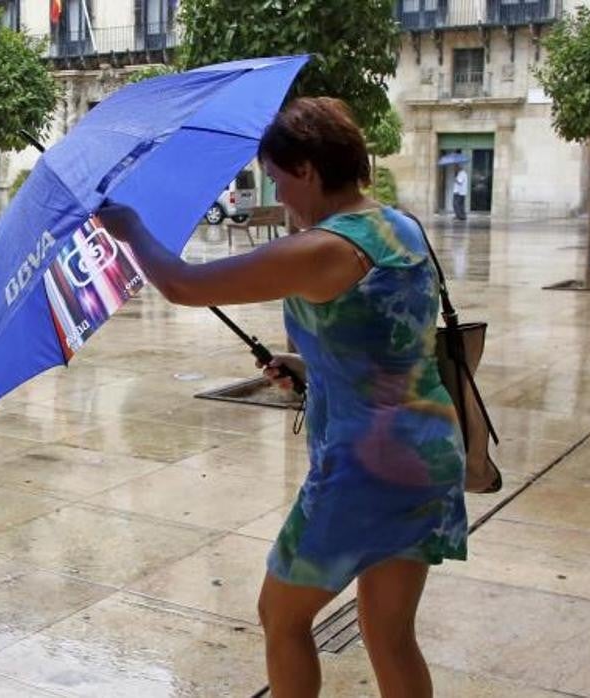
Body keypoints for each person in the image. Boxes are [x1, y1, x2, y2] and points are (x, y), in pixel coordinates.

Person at [97, 97, 466, 698]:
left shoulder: (325, 247)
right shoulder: (399, 226)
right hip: (425, 452)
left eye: (277, 178)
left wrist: (131, 228)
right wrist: (309, 367)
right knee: (390, 633)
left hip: (365, 470)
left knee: (282, 616)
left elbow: (186, 284)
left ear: (309, 171)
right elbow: (385, 342)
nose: (279, 194)